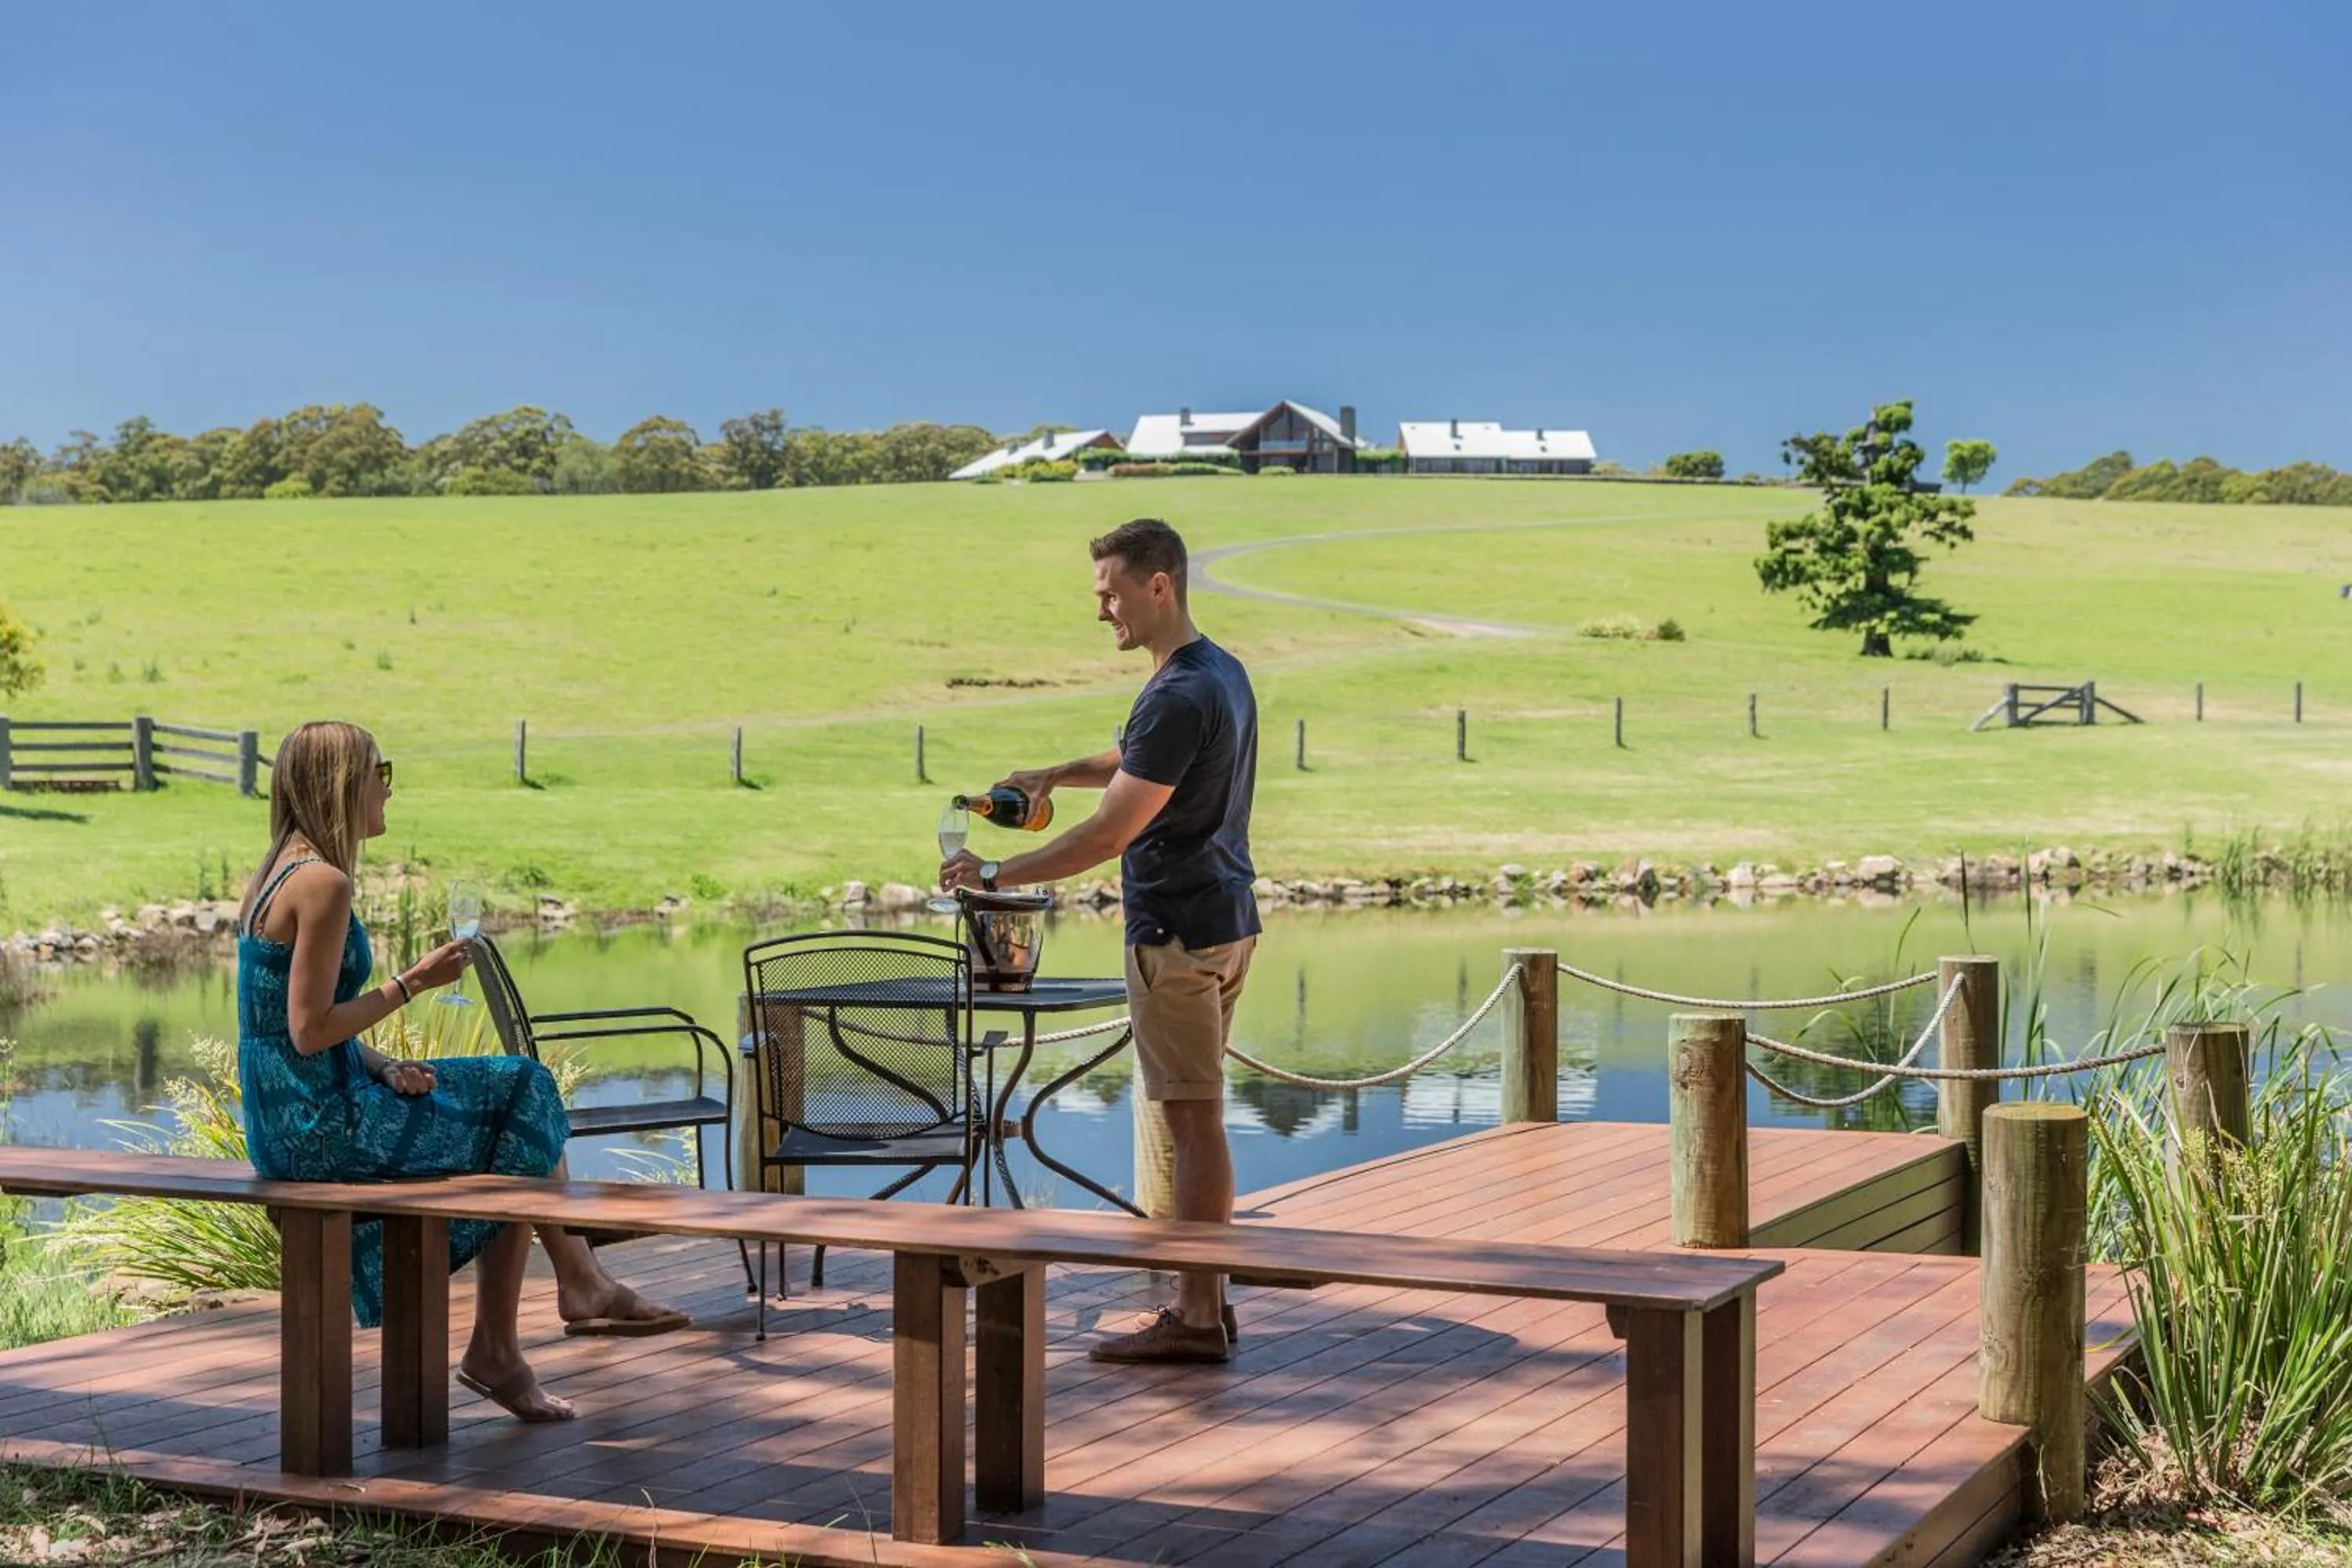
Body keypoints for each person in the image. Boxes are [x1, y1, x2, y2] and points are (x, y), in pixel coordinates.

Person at [236, 720, 688, 1424]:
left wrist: (385, 1066)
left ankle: (563, 1296)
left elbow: (280, 1032)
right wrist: (412, 983)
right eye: (380, 773)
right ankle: (537, 1317)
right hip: (321, 1131)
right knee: (521, 1092)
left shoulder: (275, 873)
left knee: (513, 1099)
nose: (389, 789)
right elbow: (306, 1029)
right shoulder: (323, 882)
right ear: (343, 785)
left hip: (294, 1117)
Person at [942, 517, 1258, 1365]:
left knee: (1191, 1122)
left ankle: (1197, 1316)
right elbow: (1140, 758)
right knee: (1198, 1116)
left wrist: (995, 872)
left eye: (1111, 593)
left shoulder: (1177, 692)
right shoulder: (1217, 672)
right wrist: (1055, 772)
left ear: (1159, 585)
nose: (1101, 610)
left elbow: (1109, 833)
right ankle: (1208, 1300)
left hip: (1175, 933)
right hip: (1226, 922)